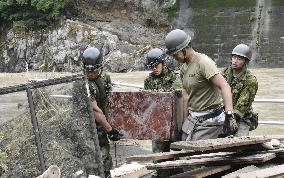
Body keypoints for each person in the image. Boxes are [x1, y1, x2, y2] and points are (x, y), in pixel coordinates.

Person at [165, 29, 237, 141]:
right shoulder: (184, 67)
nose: (175, 58)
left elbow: (225, 86)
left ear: (184, 49)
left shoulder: (203, 62)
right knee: (181, 142)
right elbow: (185, 96)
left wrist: (229, 114)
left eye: (175, 55)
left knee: (194, 150)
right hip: (194, 117)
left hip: (211, 118)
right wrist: (184, 122)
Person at [82, 47, 122, 178]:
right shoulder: (84, 84)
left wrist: (113, 122)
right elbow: (95, 110)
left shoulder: (105, 78)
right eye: (88, 71)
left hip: (101, 124)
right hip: (85, 127)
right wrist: (110, 130)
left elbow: (110, 101)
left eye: (94, 71)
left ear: (100, 68)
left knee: (105, 158)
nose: (91, 74)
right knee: (92, 162)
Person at [144, 48, 181, 178]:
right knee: (158, 154)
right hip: (158, 123)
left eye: (156, 65)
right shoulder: (149, 80)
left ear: (163, 63)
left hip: (173, 122)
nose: (154, 68)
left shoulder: (175, 78)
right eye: (151, 67)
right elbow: (147, 102)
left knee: (177, 153)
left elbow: (180, 100)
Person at [221, 44, 258, 136]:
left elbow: (242, 105)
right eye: (234, 57)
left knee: (240, 141)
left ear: (245, 62)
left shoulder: (250, 80)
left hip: (242, 116)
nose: (235, 61)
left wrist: (231, 118)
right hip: (224, 113)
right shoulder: (224, 73)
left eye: (239, 59)